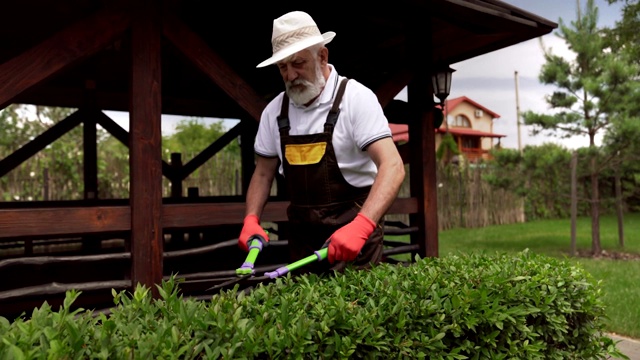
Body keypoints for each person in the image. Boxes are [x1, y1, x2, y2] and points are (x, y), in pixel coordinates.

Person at [238, 10, 405, 274]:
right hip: (302, 243)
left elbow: (393, 166)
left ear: (323, 56)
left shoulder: (356, 99)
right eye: (283, 67)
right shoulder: (274, 112)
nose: (291, 75)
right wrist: (251, 218)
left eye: (298, 63)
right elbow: (262, 173)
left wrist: (362, 226)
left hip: (355, 242)